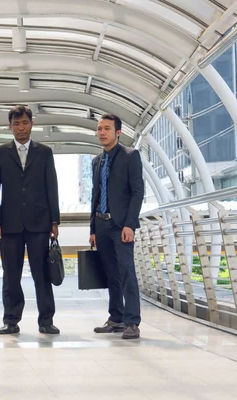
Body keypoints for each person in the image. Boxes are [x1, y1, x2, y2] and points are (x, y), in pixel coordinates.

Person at [0, 105, 61, 335]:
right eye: (16, 124)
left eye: (24, 123)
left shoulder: (45, 152)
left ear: (32, 124)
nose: (21, 128)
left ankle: (46, 321)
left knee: (42, 274)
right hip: (9, 224)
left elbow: (52, 187)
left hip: (39, 223)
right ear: (9, 127)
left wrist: (54, 221)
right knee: (11, 275)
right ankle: (11, 320)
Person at [89, 114, 144, 339]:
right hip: (101, 225)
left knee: (126, 271)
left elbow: (137, 192)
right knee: (111, 274)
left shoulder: (131, 156)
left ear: (118, 132)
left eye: (107, 129)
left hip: (120, 225)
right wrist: (92, 229)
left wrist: (130, 224)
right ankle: (116, 318)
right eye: (99, 129)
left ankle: (132, 322)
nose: (102, 132)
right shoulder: (96, 161)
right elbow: (95, 195)